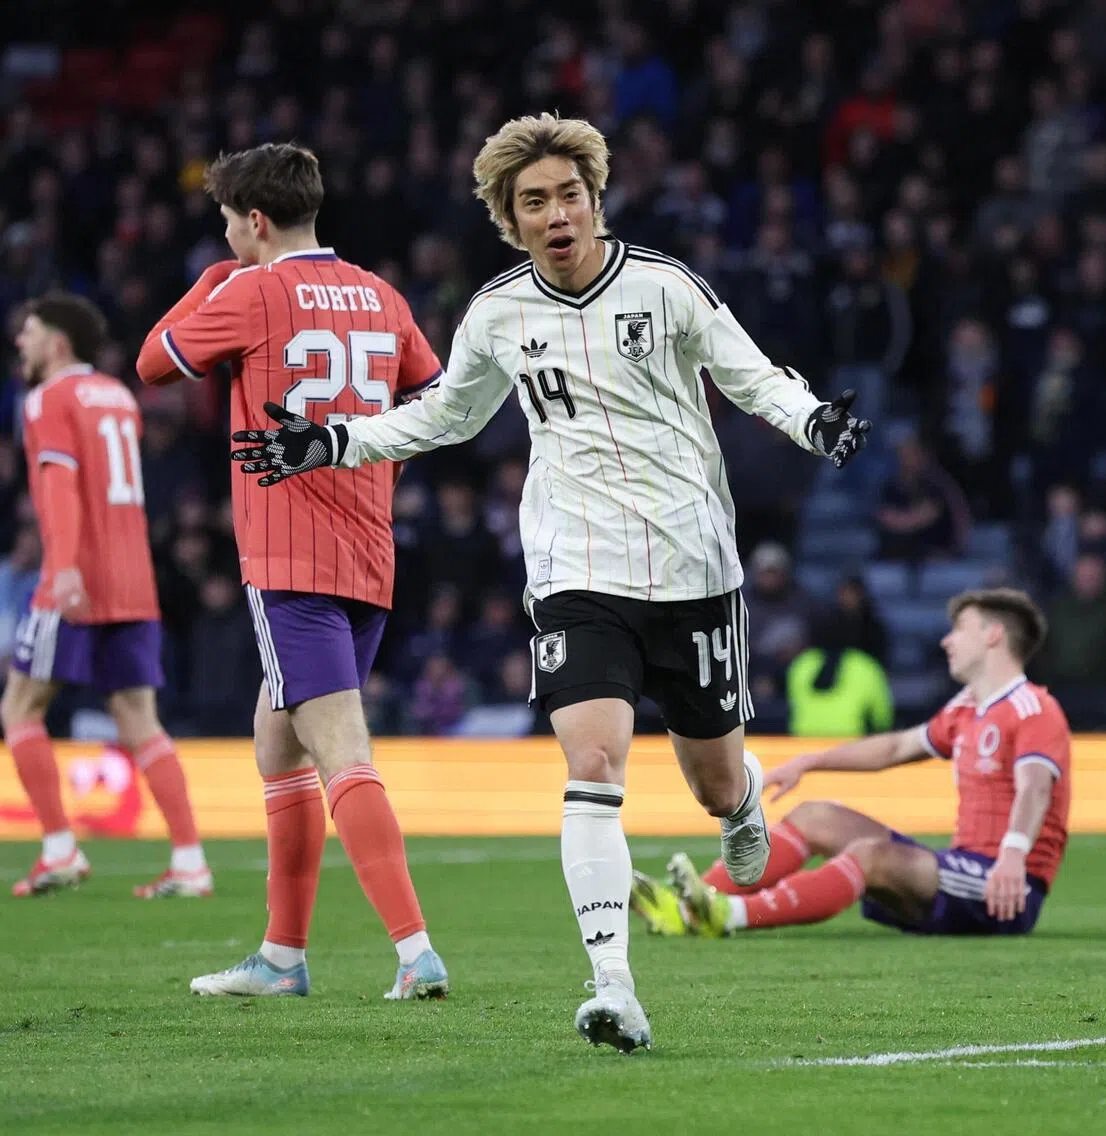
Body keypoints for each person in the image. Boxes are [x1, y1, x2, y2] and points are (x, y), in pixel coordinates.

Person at [229, 114, 871, 1051]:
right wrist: (334, 441)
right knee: (593, 762)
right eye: (535, 201)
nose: (557, 213)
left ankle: (742, 801)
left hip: (693, 567)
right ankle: (613, 986)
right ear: (511, 218)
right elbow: (443, 417)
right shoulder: (497, 313)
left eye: (570, 195)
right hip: (576, 569)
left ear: (595, 200)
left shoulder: (665, 286)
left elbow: (750, 376)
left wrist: (813, 422)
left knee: (711, 779)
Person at [135, 143, 448, 1001]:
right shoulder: (381, 295)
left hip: (289, 557)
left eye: (227, 224)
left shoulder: (248, 290)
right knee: (278, 744)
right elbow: (438, 400)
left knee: (341, 749)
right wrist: (380, 467)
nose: (225, 239)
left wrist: (212, 280)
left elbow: (153, 362)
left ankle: (416, 951)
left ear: (256, 221)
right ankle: (281, 958)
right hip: (369, 552)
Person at [631, 588, 1071, 941]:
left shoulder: (1033, 708)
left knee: (869, 854)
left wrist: (1013, 857)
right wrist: (810, 761)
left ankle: (727, 915)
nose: (946, 640)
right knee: (815, 816)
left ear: (994, 635)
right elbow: (894, 748)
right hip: (961, 869)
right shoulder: (966, 709)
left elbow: (1035, 787)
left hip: (1007, 886)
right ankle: (687, 904)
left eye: (959, 629)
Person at [3, 293, 211, 898]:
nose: (20, 341)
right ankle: (190, 861)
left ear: (58, 343)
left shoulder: (47, 398)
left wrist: (65, 568)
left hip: (77, 578)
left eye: (30, 331)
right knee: (139, 720)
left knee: (20, 708)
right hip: (133, 579)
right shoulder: (118, 395)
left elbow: (61, 486)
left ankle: (59, 849)